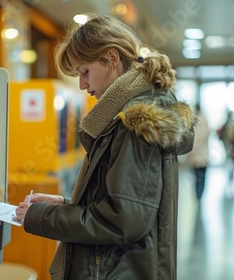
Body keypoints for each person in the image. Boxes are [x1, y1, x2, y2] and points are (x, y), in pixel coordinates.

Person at [14, 14, 196, 279]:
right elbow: (121, 203)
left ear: (111, 58)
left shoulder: (135, 121)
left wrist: (42, 216)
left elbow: (124, 220)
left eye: (84, 72)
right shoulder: (127, 116)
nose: (81, 84)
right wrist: (67, 204)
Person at [184, 104, 210, 200]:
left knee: (196, 177)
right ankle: (200, 195)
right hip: (202, 155)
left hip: (193, 155)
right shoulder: (204, 120)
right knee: (201, 178)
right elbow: (206, 136)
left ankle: (197, 195)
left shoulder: (191, 122)